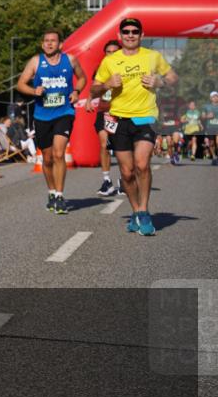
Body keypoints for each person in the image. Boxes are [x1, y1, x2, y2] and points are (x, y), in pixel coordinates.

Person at [90, 17, 178, 236]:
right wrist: (107, 85)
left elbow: (173, 77)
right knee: (127, 173)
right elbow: (93, 90)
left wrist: (161, 83)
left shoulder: (152, 56)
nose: (130, 35)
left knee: (142, 165)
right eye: (126, 31)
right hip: (119, 121)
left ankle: (144, 211)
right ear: (120, 36)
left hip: (145, 118)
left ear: (142, 35)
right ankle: (136, 211)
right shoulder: (110, 61)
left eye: (135, 31)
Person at [16, 30, 87, 214]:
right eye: (46, 41)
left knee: (58, 153)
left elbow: (83, 78)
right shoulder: (35, 61)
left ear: (60, 44)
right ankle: (51, 192)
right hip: (42, 115)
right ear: (42, 44)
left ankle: (60, 195)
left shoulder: (70, 60)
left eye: (53, 41)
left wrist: (76, 91)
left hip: (64, 112)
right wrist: (34, 91)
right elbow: (21, 84)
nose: (49, 44)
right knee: (46, 159)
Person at [85, 39, 122, 196]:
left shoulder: (126, 68)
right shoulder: (100, 69)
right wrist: (88, 100)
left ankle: (124, 178)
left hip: (121, 112)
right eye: (108, 52)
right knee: (104, 144)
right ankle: (107, 181)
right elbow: (94, 87)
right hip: (103, 111)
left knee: (122, 148)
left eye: (115, 52)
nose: (111, 54)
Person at [203, 91, 218, 165]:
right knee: (211, 143)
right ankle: (214, 157)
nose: (215, 98)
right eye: (213, 96)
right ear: (210, 98)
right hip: (210, 127)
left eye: (216, 96)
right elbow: (202, 117)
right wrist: (207, 116)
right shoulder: (206, 106)